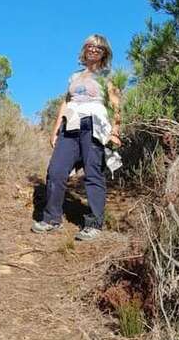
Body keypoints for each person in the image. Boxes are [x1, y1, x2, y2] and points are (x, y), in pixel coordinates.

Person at [31, 34, 122, 241]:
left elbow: (116, 105)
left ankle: (94, 224)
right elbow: (66, 101)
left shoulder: (108, 76)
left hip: (94, 124)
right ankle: (52, 219)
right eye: (90, 46)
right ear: (85, 49)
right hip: (70, 125)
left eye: (99, 48)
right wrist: (55, 128)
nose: (94, 49)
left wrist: (115, 131)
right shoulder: (74, 77)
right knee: (56, 171)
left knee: (93, 173)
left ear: (104, 53)